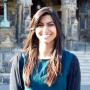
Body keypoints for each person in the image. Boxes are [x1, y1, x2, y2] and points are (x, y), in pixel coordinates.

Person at [10, 7, 81, 90]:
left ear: (57, 28)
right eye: (40, 25)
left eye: (50, 24)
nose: (45, 29)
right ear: (34, 29)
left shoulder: (70, 61)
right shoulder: (20, 60)